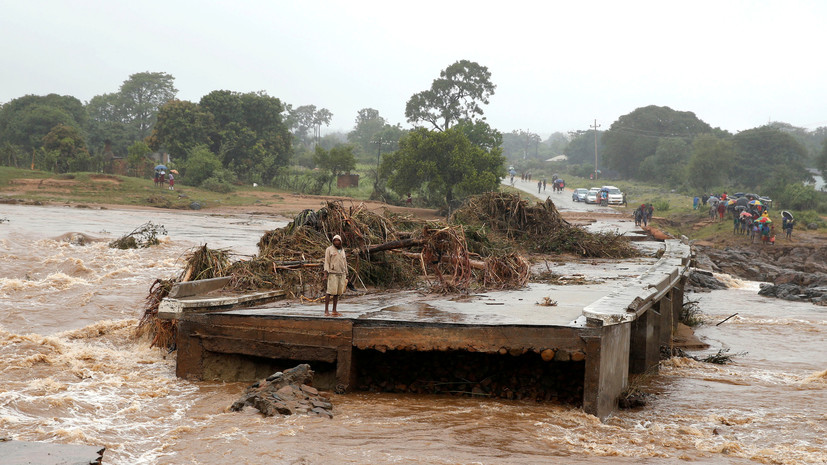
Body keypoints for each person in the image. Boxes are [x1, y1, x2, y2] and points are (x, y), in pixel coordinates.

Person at [323, 235, 347, 316]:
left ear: (340, 241)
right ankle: (326, 311)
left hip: (341, 273)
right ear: (333, 241)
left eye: (338, 240)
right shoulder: (329, 249)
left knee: (337, 293)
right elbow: (327, 261)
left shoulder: (342, 250)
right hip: (332, 273)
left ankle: (334, 310)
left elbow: (345, 262)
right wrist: (325, 273)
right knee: (329, 292)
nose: (336, 242)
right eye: (335, 240)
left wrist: (346, 273)